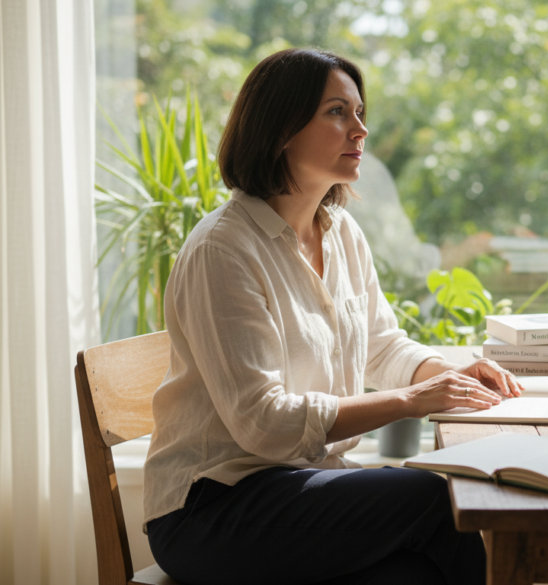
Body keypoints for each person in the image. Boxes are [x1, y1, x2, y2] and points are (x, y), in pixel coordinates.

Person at [142, 48, 522, 585]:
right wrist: (412, 402)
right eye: (337, 112)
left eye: (359, 112)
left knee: (418, 571)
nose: (360, 129)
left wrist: (448, 376)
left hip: (302, 487)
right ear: (280, 130)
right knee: (434, 499)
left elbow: (381, 345)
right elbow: (263, 423)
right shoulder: (222, 251)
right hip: (213, 509)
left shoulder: (341, 232)